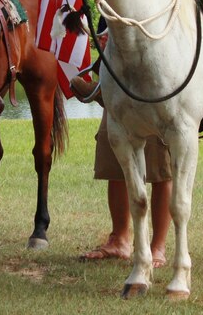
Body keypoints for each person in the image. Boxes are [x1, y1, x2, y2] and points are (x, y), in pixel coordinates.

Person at [71, 22, 173, 268]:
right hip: (119, 77)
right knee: (115, 158)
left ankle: (157, 246)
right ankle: (120, 239)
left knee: (160, 164)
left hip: (159, 74)